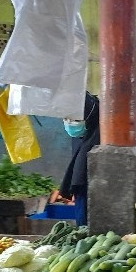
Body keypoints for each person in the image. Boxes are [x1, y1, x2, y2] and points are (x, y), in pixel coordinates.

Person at [60, 92, 99, 225]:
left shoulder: (98, 137)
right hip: (81, 193)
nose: (69, 123)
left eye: (76, 120)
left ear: (89, 117)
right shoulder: (80, 137)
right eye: (66, 119)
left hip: (94, 193)